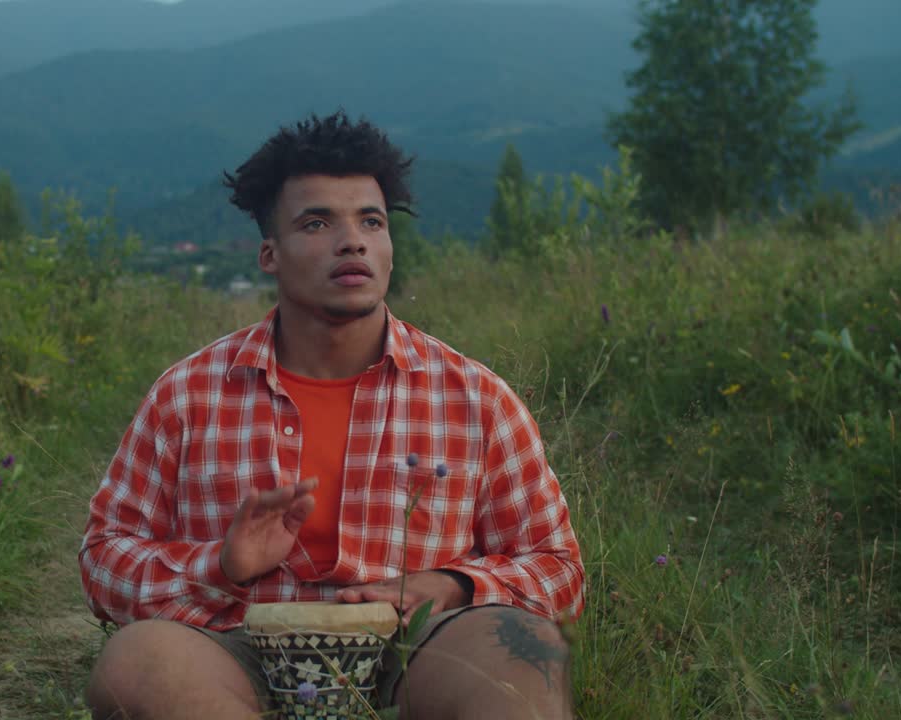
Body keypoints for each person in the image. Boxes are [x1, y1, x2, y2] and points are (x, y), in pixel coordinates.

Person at [79, 110, 584, 720]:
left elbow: (557, 569)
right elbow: (104, 557)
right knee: (136, 662)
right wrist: (221, 566)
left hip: (416, 650)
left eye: (371, 221)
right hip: (236, 651)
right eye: (317, 222)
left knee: (525, 649)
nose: (353, 241)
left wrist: (454, 587)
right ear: (270, 254)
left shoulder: (476, 399)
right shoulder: (187, 396)